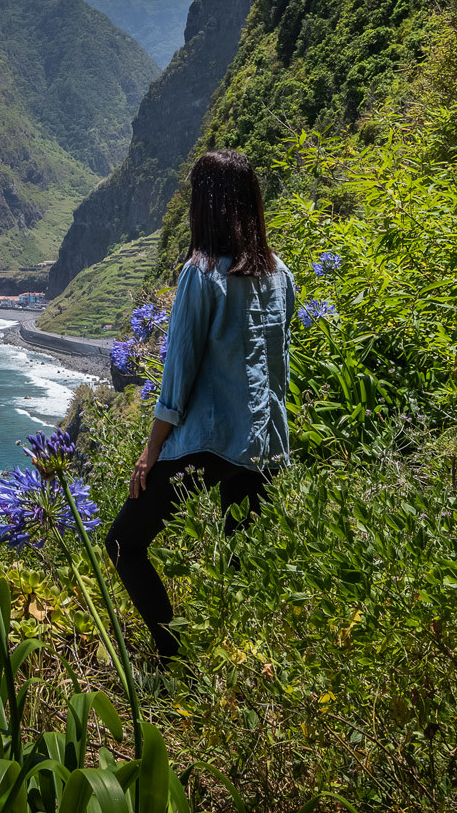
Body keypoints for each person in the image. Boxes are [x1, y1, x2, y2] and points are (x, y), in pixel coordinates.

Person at [106, 149, 296, 661]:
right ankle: (235, 673)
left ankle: (175, 656)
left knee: (124, 544)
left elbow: (179, 373)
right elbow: (277, 362)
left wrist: (150, 454)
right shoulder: (281, 275)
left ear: (204, 205)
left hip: (209, 442)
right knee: (239, 567)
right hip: (266, 445)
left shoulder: (202, 273)